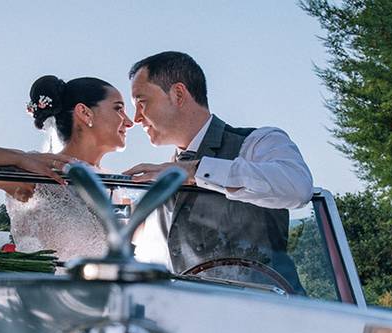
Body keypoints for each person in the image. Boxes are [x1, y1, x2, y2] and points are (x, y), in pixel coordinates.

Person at [124, 51, 313, 291]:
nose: (137, 118)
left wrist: (195, 170)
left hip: (271, 317)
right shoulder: (159, 181)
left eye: (142, 103)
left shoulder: (257, 142)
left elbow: (298, 188)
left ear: (178, 94)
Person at [0, 75, 134, 262]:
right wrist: (19, 158)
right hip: (42, 299)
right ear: (85, 113)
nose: (129, 121)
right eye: (118, 108)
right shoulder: (35, 171)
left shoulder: (119, 186)